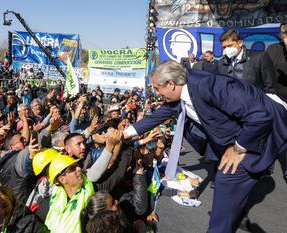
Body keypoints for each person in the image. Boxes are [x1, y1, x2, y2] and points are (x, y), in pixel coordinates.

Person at [123, 61, 287, 233]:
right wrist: (122, 135)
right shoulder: (177, 98)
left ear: (170, 84)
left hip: (275, 130)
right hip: (249, 136)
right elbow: (153, 119)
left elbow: (260, 115)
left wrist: (238, 148)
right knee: (225, 188)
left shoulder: (210, 85)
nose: (157, 93)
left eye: (157, 88)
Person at [217, 29, 277, 94]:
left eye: (229, 46)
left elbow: (270, 86)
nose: (226, 49)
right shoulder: (222, 62)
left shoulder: (259, 57)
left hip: (254, 101)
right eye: (224, 47)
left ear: (240, 43)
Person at [266, 19, 287, 183]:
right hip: (277, 99)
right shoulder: (273, 49)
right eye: (282, 32)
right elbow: (266, 74)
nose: (283, 35)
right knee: (272, 134)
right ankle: (267, 166)